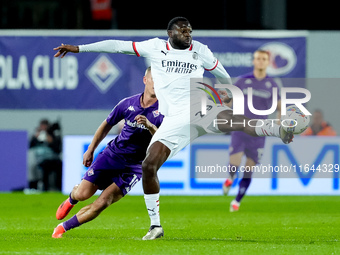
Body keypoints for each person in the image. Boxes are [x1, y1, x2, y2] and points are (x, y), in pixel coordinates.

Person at [53, 16, 293, 240]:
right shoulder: (155, 47)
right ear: (170, 33)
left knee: (232, 120)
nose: (188, 32)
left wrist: (229, 92)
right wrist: (79, 49)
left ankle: (276, 129)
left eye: (190, 29)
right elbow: (117, 45)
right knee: (149, 164)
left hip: (198, 107)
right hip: (174, 120)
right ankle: (155, 226)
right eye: (183, 29)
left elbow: (222, 75)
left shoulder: (201, 51)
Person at [52, 67, 164, 238]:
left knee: (104, 202)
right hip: (112, 155)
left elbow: (162, 141)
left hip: (134, 166)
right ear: (145, 80)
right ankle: (72, 197)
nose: (157, 83)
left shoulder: (164, 111)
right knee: (83, 194)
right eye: (154, 78)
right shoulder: (127, 103)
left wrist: (149, 125)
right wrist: (91, 149)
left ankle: (61, 229)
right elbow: (107, 124)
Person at [222, 50, 281, 212]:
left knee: (249, 169)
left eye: (264, 59)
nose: (260, 62)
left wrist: (279, 123)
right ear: (254, 61)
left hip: (259, 133)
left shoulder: (272, 84)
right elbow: (228, 100)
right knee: (234, 164)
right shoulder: (242, 81)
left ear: (268, 62)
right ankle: (230, 178)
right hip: (240, 128)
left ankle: (237, 201)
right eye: (258, 59)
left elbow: (280, 106)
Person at [29, 119, 62, 191]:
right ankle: (44, 188)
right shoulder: (36, 135)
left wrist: (50, 139)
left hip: (53, 159)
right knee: (40, 169)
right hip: (41, 160)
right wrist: (35, 137)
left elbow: (58, 149)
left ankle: (59, 188)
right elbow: (30, 145)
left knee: (59, 166)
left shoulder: (53, 135)